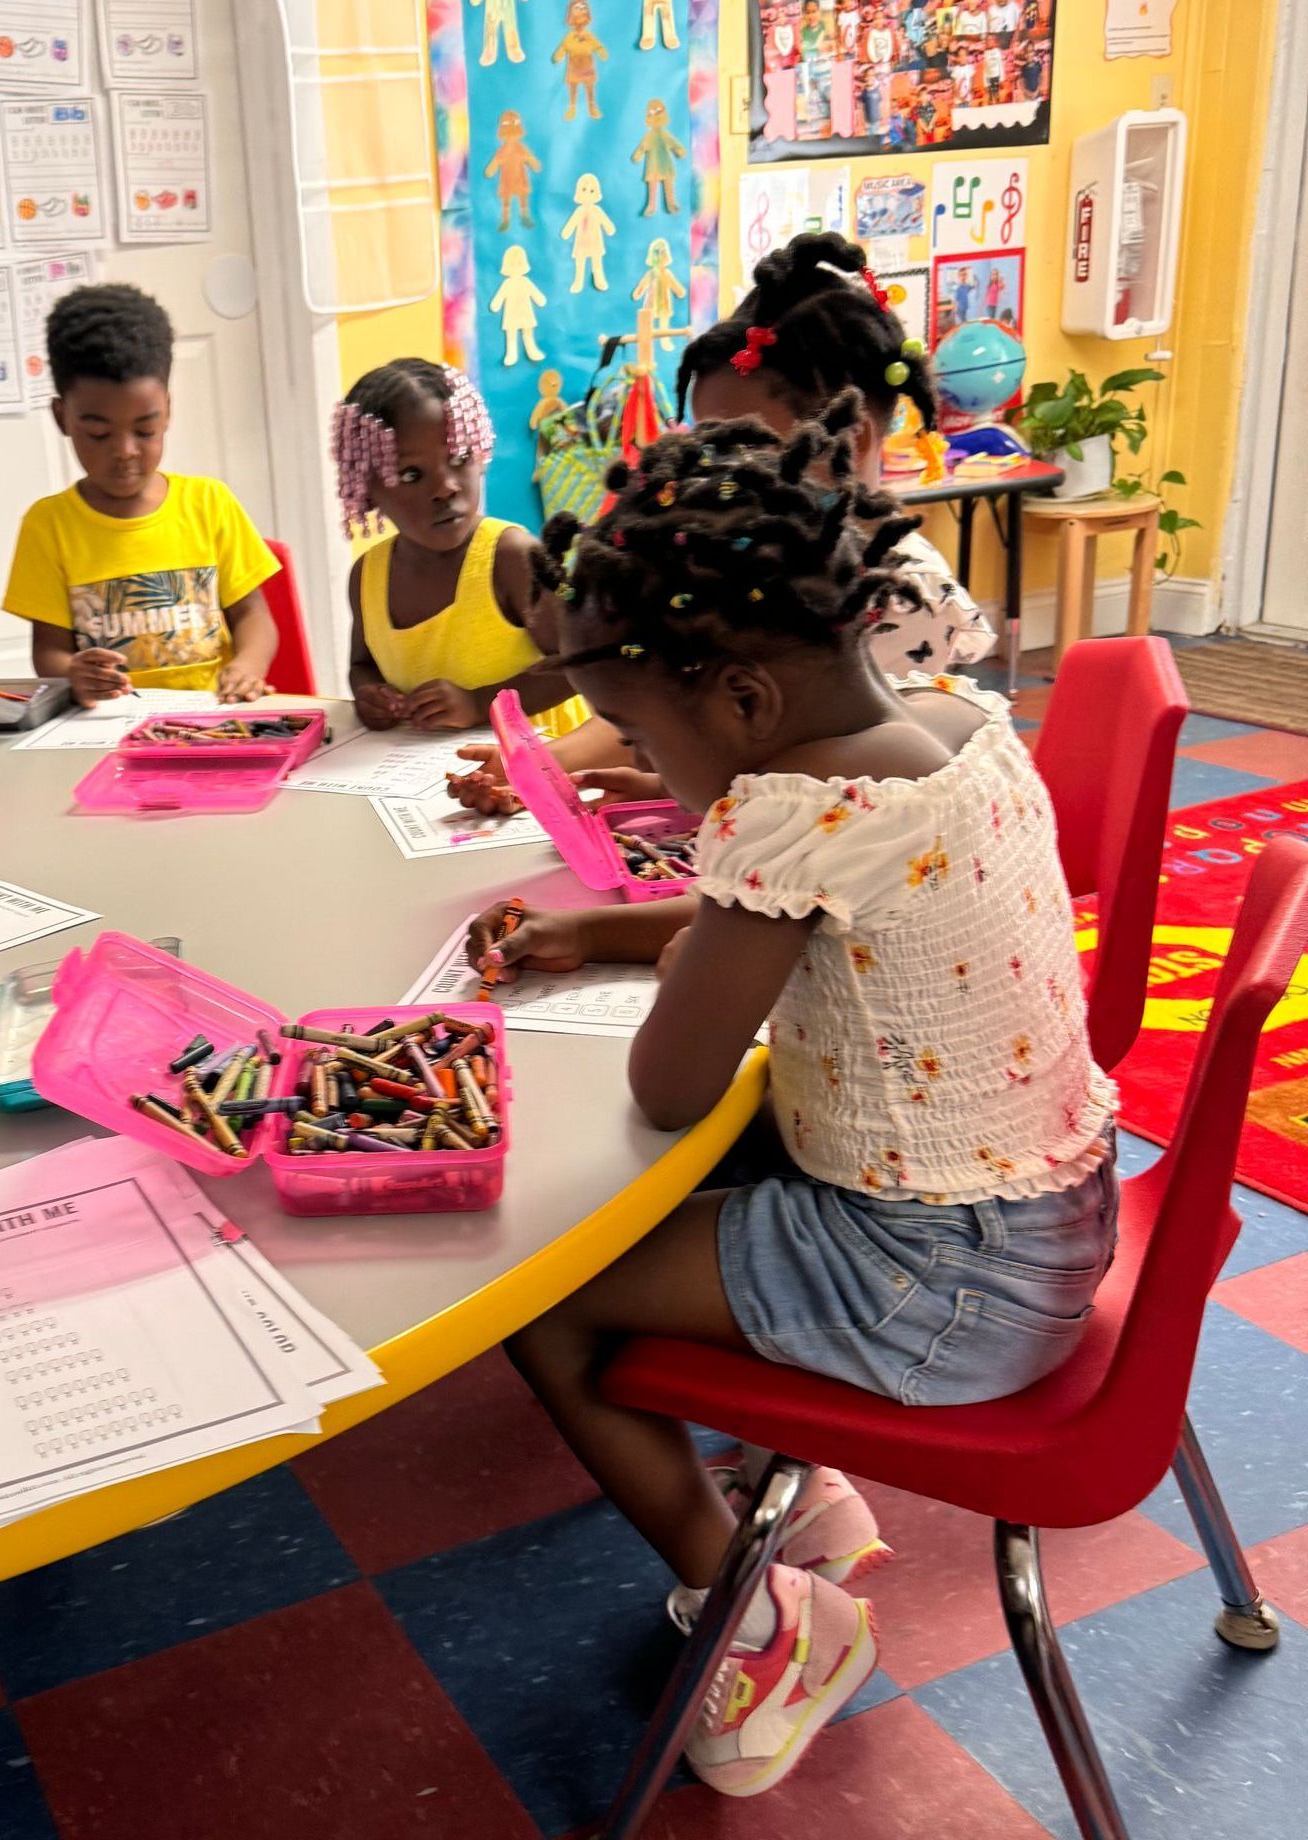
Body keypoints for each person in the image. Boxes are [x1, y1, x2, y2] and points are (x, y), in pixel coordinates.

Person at [466, 405, 1118, 1798]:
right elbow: (817, 924)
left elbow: (667, 1080)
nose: (656, 774)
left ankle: (765, 1623)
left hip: (939, 1286)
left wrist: (687, 926)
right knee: (720, 1170)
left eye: (642, 731)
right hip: (1050, 1219)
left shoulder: (795, 809)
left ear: (744, 706)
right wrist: (612, 933)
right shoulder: (959, 723)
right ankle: (798, 1492)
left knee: (541, 1291)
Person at [450, 232, 993, 810]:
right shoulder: (744, 558)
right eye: (707, 441)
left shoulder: (903, 603)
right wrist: (545, 764)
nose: (715, 468)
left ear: (851, 440)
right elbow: (671, 696)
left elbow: (809, 791)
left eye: (745, 444)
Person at [1, 284, 280, 707]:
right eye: (98, 433)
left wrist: (247, 666)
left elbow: (254, 617)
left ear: (167, 410)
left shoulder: (209, 503)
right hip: (110, 728)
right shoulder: (49, 525)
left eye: (145, 430)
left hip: (211, 720)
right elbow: (49, 651)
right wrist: (73, 673)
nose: (125, 451)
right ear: (62, 417)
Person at [334, 359, 585, 737]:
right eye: (411, 474)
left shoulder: (509, 557)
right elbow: (362, 665)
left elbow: (577, 663)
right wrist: (371, 695)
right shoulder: (367, 577)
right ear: (367, 489)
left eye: (460, 459)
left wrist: (480, 703)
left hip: (541, 765)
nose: (446, 488)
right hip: (430, 776)